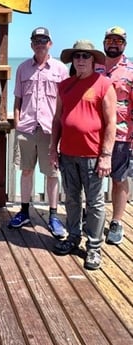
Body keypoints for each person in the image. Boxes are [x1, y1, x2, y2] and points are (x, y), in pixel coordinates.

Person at [49, 40, 117, 270]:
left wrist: (106, 155)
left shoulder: (104, 85)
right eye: (77, 55)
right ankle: (73, 237)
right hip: (67, 153)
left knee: (95, 203)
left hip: (92, 156)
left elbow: (111, 123)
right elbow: (57, 119)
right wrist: (53, 149)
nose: (81, 59)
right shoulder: (64, 85)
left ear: (93, 60)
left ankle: (94, 247)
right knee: (71, 199)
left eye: (86, 56)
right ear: (72, 59)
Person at [8, 27, 68, 238]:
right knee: (26, 171)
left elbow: (65, 104)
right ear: (31, 43)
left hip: (50, 131)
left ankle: (53, 215)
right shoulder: (23, 69)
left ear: (50, 43)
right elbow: (17, 100)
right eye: (36, 40)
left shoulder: (60, 69)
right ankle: (24, 211)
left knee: (52, 175)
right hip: (26, 129)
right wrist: (17, 124)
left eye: (44, 39)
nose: (40, 43)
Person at [95, 26, 133, 245]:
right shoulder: (94, 67)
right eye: (110, 40)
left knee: (119, 180)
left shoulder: (130, 70)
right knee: (92, 181)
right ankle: (93, 217)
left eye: (118, 41)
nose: (113, 44)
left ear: (124, 45)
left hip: (121, 135)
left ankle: (117, 222)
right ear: (104, 43)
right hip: (93, 135)